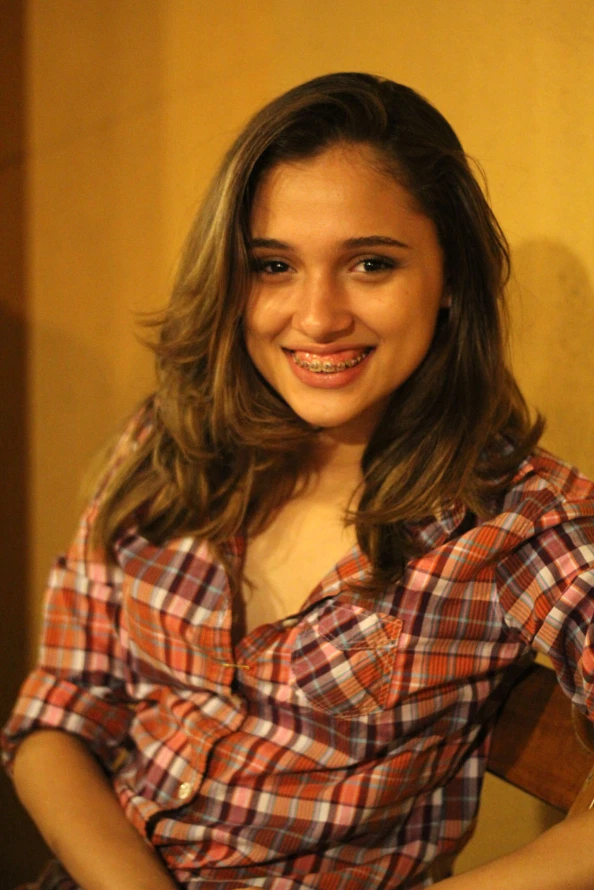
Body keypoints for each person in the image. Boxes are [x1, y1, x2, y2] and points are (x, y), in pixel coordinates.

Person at [2, 72, 594, 890]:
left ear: (452, 276)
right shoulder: (171, 442)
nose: (317, 317)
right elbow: (59, 714)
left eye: (371, 264)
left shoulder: (518, 519)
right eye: (274, 265)